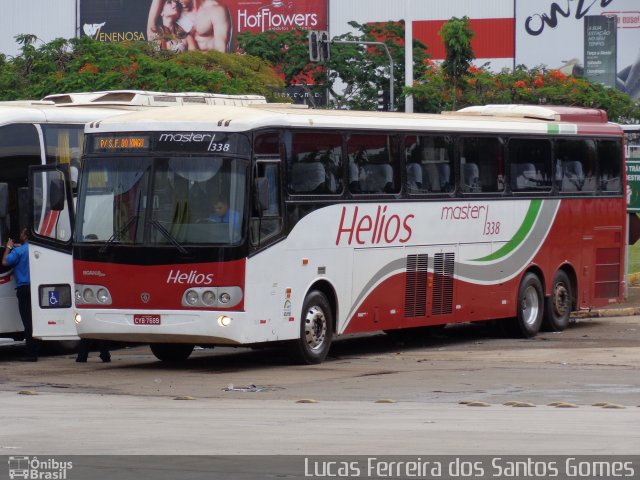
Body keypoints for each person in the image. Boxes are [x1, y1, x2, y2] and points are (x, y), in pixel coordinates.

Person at [2, 228, 38, 361]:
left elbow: (5, 261)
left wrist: (8, 247)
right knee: (34, 320)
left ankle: (31, 354)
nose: (20, 234)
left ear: (25, 236)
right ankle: (36, 348)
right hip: (35, 288)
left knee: (27, 322)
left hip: (23, 288)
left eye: (22, 233)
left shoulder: (18, 251)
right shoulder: (34, 249)